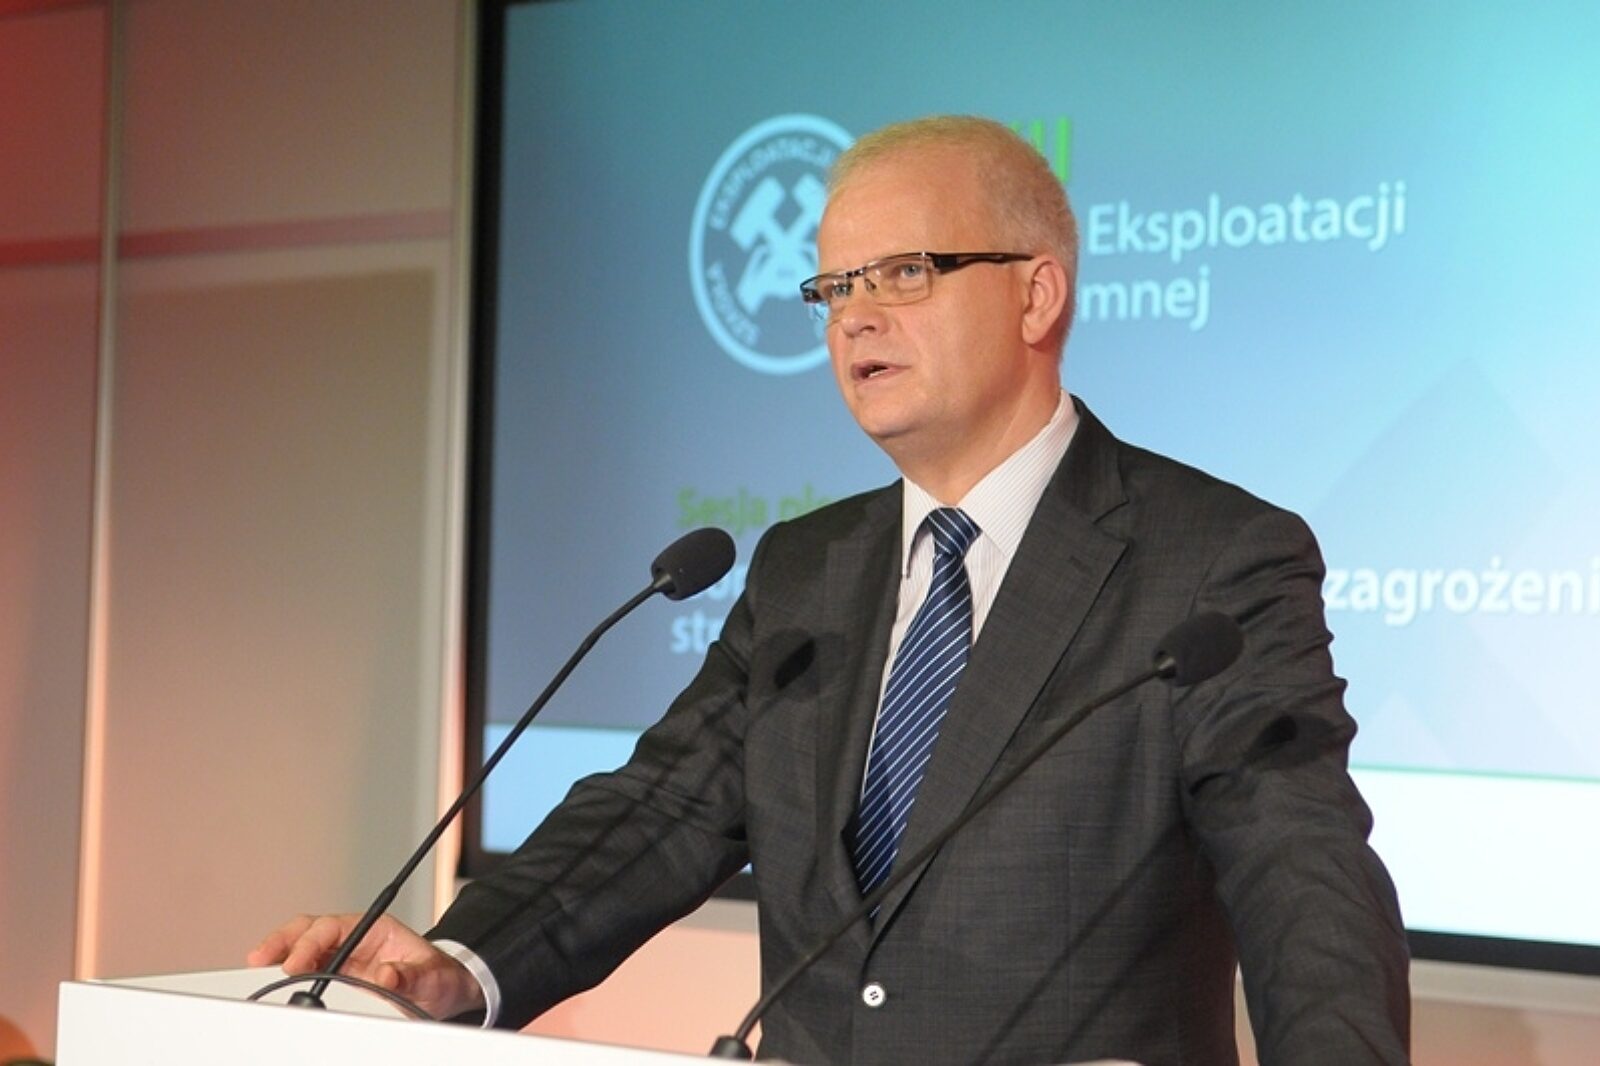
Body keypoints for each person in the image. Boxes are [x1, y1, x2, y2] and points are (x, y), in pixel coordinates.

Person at [251, 115, 1410, 1064]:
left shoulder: (1210, 558)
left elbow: (1300, 872)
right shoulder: (806, 568)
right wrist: (462, 960)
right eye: (834, 287)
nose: (855, 315)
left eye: (906, 272)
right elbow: (663, 809)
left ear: (1036, 296)